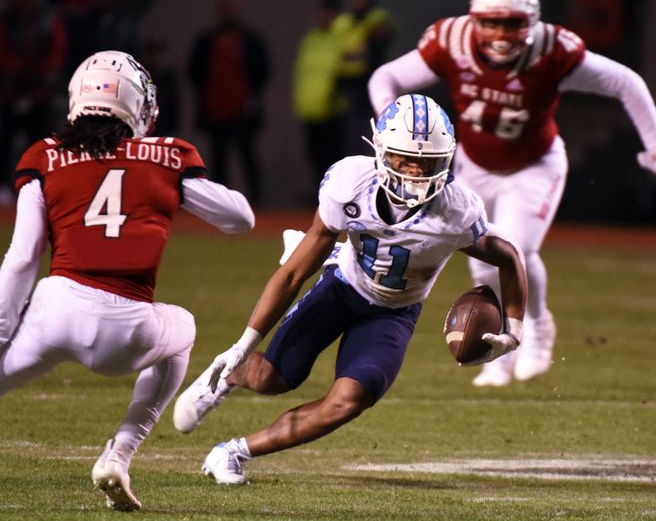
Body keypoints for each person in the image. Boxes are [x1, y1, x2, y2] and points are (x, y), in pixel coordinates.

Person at [0, 51, 255, 511]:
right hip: (127, 330)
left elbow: (23, 256)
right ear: (138, 105)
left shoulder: (44, 156)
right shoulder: (167, 156)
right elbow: (240, 218)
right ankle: (119, 454)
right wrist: (169, 174)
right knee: (183, 329)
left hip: (55, 311)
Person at [172, 94, 528, 485]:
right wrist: (243, 343)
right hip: (342, 286)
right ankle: (227, 376)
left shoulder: (457, 211)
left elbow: (508, 257)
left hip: (394, 311)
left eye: (426, 162)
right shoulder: (350, 182)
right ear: (380, 151)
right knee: (273, 379)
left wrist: (514, 329)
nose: (414, 172)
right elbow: (293, 274)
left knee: (347, 402)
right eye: (404, 158)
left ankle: (232, 453)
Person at [367, 0, 656, 387]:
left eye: (512, 23)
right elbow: (385, 78)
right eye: (492, 22)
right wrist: (389, 126)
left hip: (535, 164)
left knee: (517, 249)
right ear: (474, 19)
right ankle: (496, 356)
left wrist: (651, 145)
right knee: (483, 265)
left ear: (532, 22)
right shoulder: (451, 42)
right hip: (474, 163)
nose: (501, 33)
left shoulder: (552, 50)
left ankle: (538, 327)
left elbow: (625, 82)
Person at [0, 0, 67, 206]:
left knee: (40, 143)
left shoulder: (49, 19)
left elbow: (57, 50)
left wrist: (40, 74)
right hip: (12, 89)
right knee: (4, 140)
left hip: (40, 92)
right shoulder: (6, 20)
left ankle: (37, 184)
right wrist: (18, 71)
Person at [188, 0, 271, 206]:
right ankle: (220, 204)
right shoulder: (206, 41)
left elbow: (263, 72)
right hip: (216, 110)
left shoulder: (251, 41)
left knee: (248, 157)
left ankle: (257, 201)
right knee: (218, 159)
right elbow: (195, 73)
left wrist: (251, 96)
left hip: (243, 111)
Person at [292, 0, 346, 187]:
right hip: (310, 110)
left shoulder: (342, 37)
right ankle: (320, 202)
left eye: (329, 12)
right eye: (322, 11)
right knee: (315, 161)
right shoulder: (311, 38)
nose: (324, 16)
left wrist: (335, 95)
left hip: (333, 110)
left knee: (334, 161)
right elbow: (303, 74)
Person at [336, 0, 394, 153]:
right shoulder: (347, 22)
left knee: (372, 135)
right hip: (351, 85)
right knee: (352, 137)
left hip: (369, 83)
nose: (356, 1)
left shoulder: (376, 20)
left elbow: (377, 48)